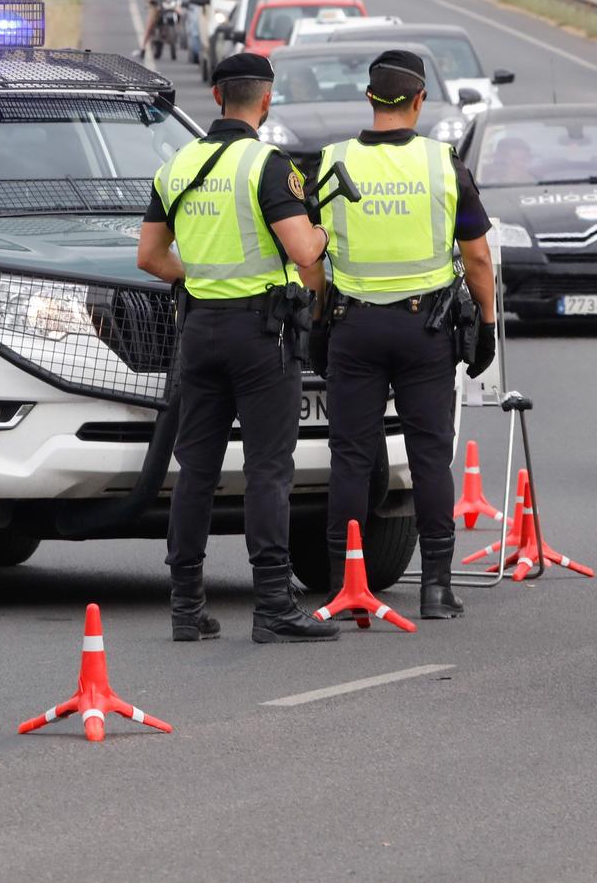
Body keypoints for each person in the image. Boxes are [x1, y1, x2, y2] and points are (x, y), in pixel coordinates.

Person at [137, 52, 340, 644]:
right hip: (262, 336)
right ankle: (273, 604)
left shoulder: (177, 165)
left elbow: (149, 257)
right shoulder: (267, 165)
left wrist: (198, 278)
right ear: (266, 99)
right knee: (269, 469)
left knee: (195, 469)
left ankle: (185, 606)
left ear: (219, 97)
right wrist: (323, 229)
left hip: (199, 332)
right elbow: (304, 252)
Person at [317, 49, 498, 621]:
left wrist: (320, 318)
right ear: (419, 100)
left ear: (370, 100)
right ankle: (437, 588)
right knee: (428, 455)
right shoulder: (444, 165)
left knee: (349, 456)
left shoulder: (332, 162)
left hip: (354, 325)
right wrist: (488, 325)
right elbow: (477, 258)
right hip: (426, 331)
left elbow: (309, 258)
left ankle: (345, 586)